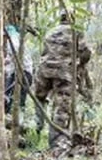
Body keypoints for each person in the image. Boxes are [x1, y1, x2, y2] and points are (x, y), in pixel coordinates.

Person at [35, 13, 90, 144]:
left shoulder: (50, 32)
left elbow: (44, 52)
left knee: (39, 98)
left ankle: (36, 126)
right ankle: (56, 142)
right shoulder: (76, 32)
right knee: (62, 106)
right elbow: (85, 53)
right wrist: (80, 64)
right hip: (63, 72)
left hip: (45, 71)